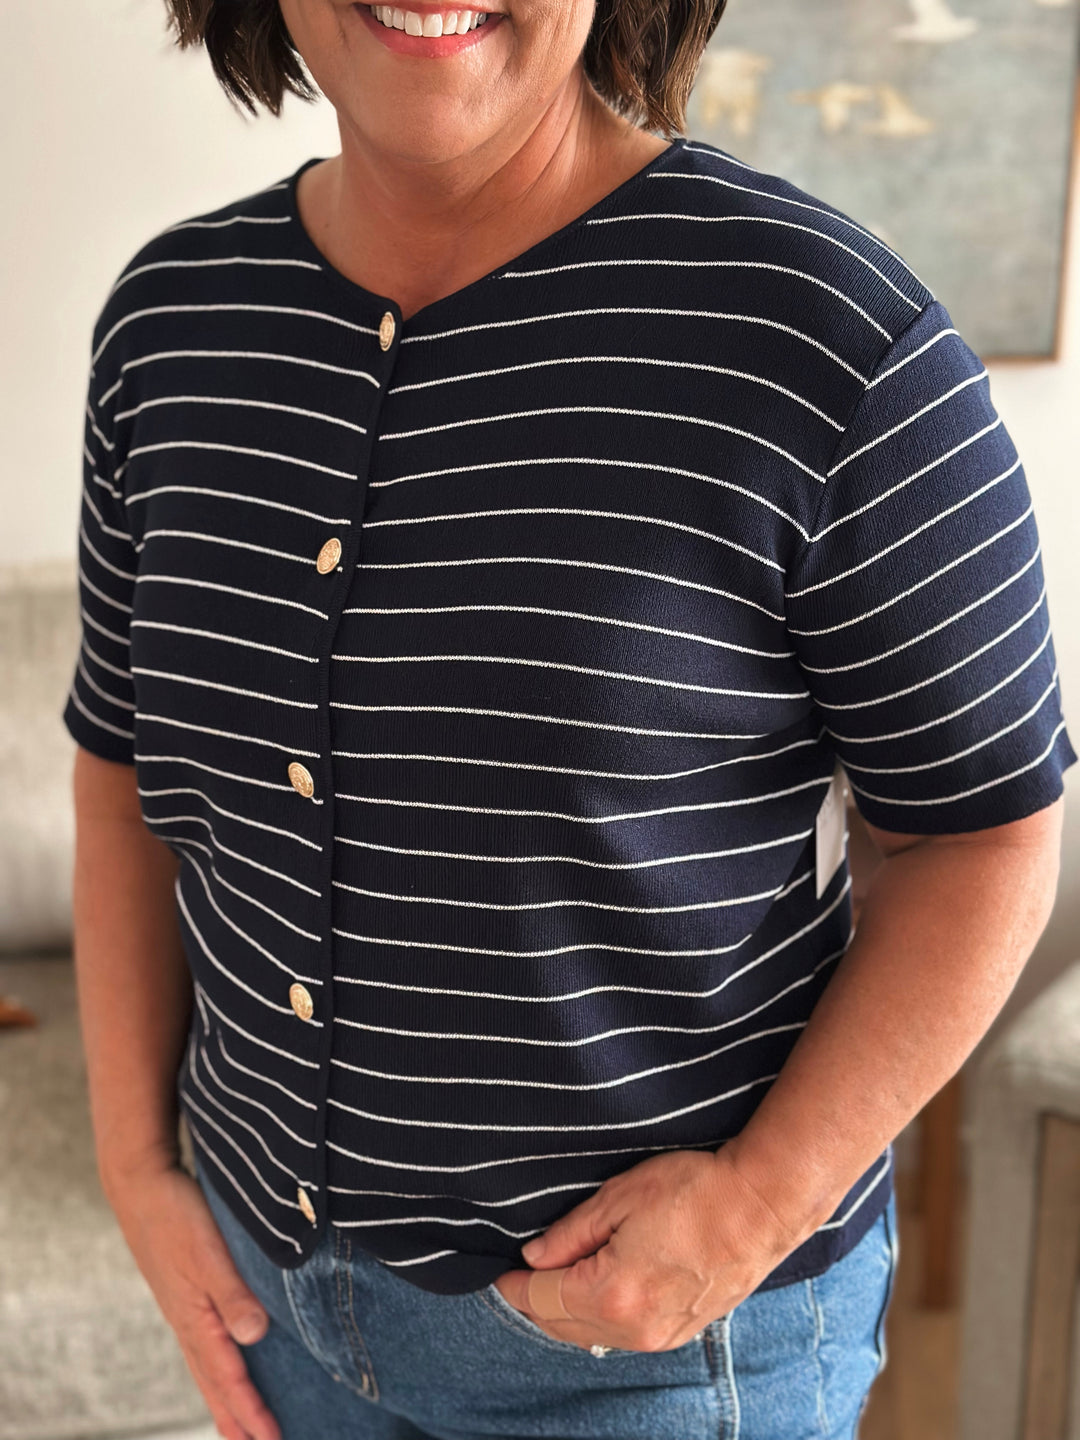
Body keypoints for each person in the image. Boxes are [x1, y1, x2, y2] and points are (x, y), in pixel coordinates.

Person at [63, 1, 1075, 1437]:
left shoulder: (827, 338)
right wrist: (134, 1166)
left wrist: (754, 1209)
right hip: (271, 1310)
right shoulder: (169, 330)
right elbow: (122, 771)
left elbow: (982, 839)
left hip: (648, 1351)